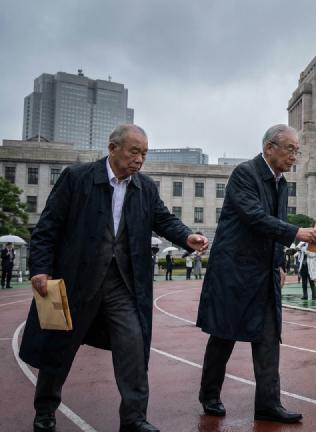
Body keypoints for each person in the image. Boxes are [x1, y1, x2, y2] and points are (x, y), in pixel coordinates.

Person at [19, 124, 208, 432]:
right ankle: (45, 411)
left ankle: (134, 418)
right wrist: (40, 269)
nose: (140, 159)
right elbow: (47, 228)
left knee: (134, 346)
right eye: (134, 151)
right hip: (76, 283)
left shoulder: (145, 188)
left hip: (123, 284)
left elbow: (163, 219)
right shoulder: (77, 178)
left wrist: (188, 237)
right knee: (59, 350)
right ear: (113, 148)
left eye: (144, 153)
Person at [196, 125, 316, 424]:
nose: (295, 156)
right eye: (290, 149)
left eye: (297, 150)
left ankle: (268, 403)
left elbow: (274, 224)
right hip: (234, 270)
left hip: (264, 271)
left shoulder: (281, 183)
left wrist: (279, 263)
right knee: (224, 335)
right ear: (269, 148)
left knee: (268, 338)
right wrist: (297, 232)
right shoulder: (244, 174)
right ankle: (210, 394)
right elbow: (255, 217)